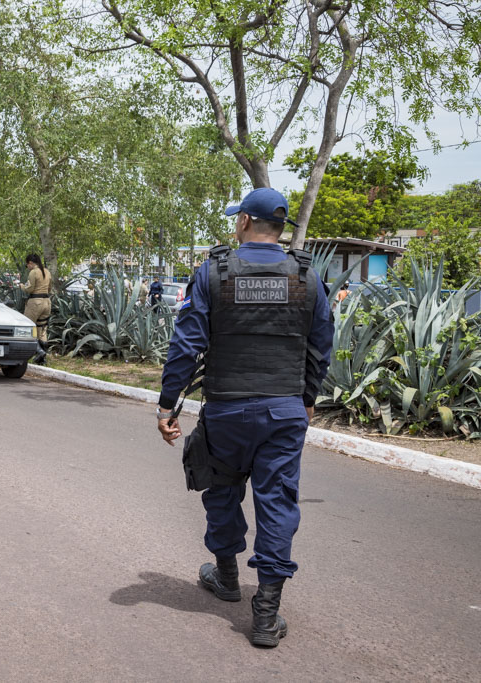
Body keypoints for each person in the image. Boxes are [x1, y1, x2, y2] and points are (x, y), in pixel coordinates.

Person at [155, 187, 333, 648]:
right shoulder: (307, 277)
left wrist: (167, 404)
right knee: (276, 501)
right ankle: (267, 615)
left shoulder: (214, 272)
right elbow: (320, 347)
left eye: (237, 218)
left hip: (228, 408)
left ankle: (229, 577)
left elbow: (186, 345)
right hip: (284, 410)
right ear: (281, 227)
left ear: (244, 223)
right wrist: (307, 397)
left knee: (221, 487)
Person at [17, 254, 52, 363]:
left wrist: (21, 286)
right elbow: (49, 288)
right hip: (47, 302)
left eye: (27, 265)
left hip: (35, 303)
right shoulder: (47, 271)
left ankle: (39, 352)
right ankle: (43, 359)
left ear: (31, 263)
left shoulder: (33, 272)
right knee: (42, 329)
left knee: (29, 327)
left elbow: (30, 289)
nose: (27, 267)